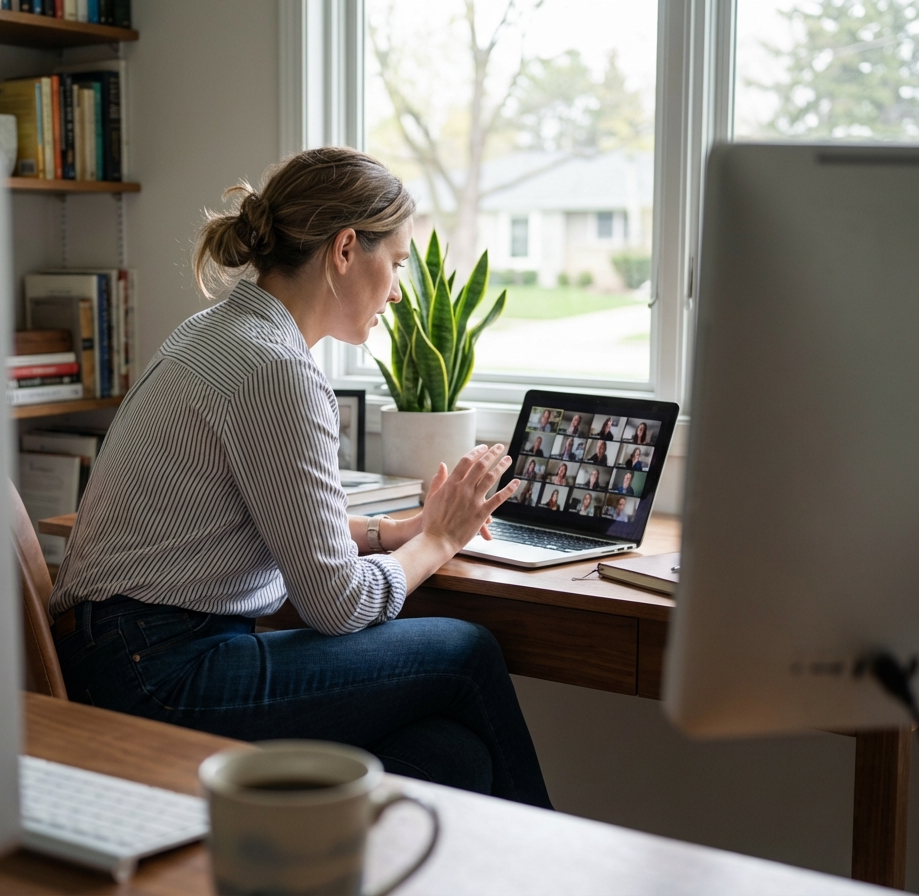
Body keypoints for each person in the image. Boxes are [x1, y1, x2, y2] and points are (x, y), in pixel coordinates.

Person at [47, 148, 551, 809]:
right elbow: (336, 605)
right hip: (160, 674)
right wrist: (440, 542)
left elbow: (272, 513)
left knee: (451, 759)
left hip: (121, 654)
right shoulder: (275, 368)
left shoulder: (221, 331)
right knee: (466, 652)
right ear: (345, 249)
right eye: (395, 262)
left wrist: (397, 529)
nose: (398, 289)